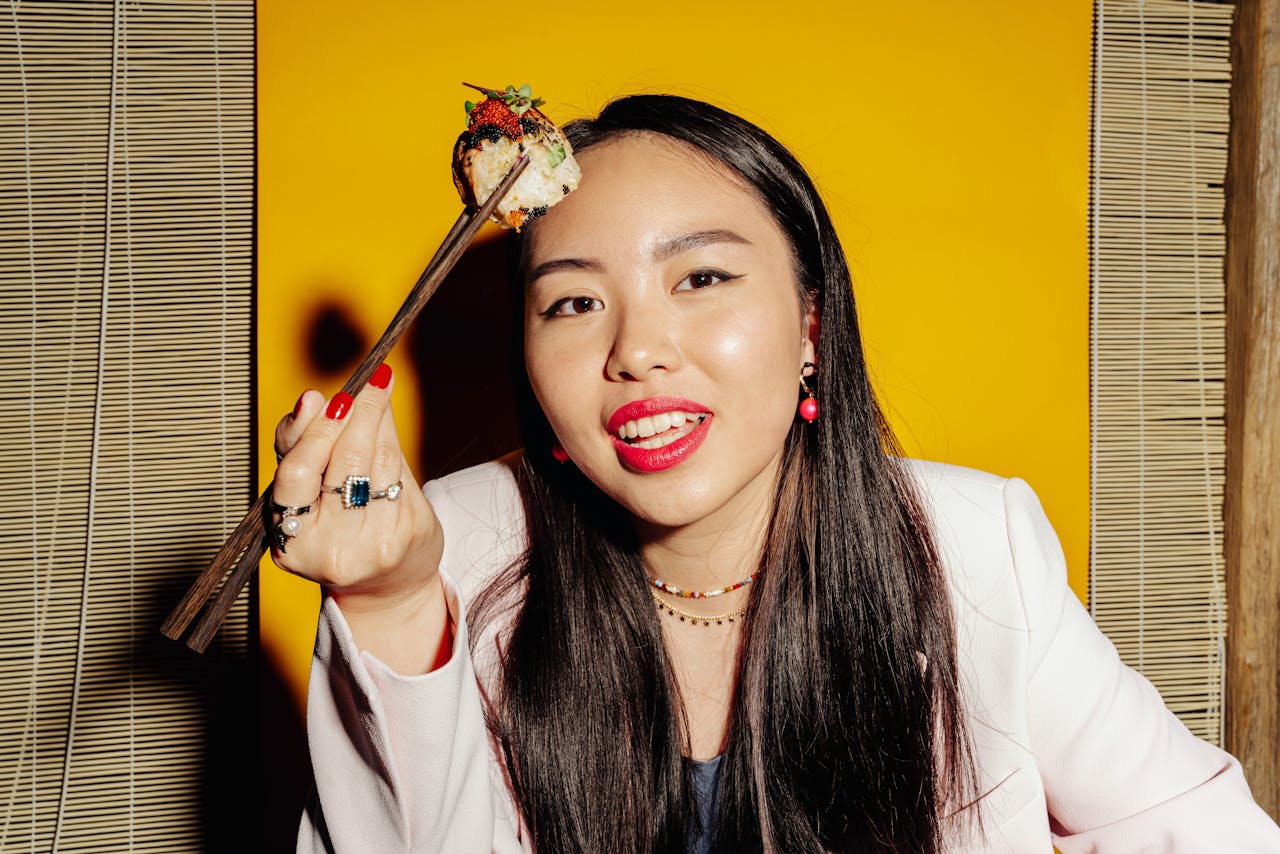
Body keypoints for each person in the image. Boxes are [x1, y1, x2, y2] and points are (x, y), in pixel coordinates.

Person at [271, 95, 1280, 853]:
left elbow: (1205, 832)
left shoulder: (978, 545)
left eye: (701, 278)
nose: (638, 350)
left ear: (809, 325)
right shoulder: (435, 553)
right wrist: (390, 602)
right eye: (573, 303)